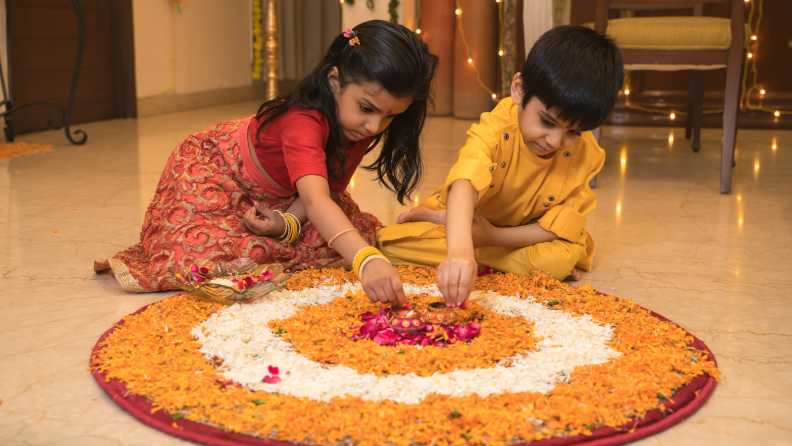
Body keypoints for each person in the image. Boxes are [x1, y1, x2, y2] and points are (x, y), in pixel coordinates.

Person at [96, 20, 438, 307]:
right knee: (198, 258)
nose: (375, 127)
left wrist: (288, 223)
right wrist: (366, 262)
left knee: (351, 233)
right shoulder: (303, 123)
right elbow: (319, 201)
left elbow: (323, 191)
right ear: (334, 81)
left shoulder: (359, 125)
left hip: (287, 191)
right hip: (220, 171)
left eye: (389, 116)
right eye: (367, 108)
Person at [377, 25, 623, 307]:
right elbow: (464, 183)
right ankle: (455, 228)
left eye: (573, 132)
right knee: (388, 243)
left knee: (561, 256)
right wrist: (460, 251)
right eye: (547, 122)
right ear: (519, 89)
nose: (555, 141)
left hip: (517, 235)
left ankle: (464, 236)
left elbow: (560, 227)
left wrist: (490, 236)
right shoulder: (496, 129)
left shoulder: (586, 153)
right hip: (471, 223)